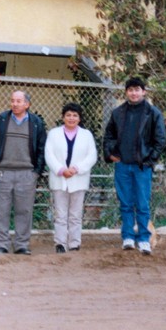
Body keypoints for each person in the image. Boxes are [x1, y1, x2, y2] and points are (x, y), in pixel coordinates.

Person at [103, 77, 166, 255]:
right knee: (126, 203)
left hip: (142, 167)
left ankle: (144, 239)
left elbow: (160, 140)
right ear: (126, 92)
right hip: (122, 165)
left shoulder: (153, 113)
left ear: (144, 91)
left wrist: (149, 160)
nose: (134, 93)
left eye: (137, 89)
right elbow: (108, 136)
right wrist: (110, 154)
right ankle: (128, 237)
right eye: (130, 89)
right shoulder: (118, 113)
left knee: (142, 204)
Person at [0, 90, 46, 255]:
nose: (14, 104)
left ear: (27, 104)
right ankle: (2, 244)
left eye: (18, 101)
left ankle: (22, 244)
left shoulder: (36, 123)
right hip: (3, 173)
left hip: (26, 174)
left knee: (24, 210)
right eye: (12, 100)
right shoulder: (2, 120)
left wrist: (36, 172)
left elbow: (42, 148)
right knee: (0, 211)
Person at [44, 102, 97, 253]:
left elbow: (92, 156)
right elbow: (49, 154)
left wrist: (76, 169)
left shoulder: (87, 135)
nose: (71, 118)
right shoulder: (54, 133)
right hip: (59, 178)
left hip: (78, 179)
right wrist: (61, 170)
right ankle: (60, 243)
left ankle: (74, 243)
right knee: (60, 214)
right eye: (68, 115)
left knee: (75, 214)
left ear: (79, 118)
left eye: (75, 115)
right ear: (63, 117)